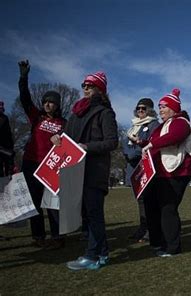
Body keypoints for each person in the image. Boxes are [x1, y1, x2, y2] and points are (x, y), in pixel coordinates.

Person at [52, 71, 118, 270]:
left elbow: (112, 142)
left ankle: (92, 255)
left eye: (90, 85)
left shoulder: (105, 113)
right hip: (74, 170)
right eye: (84, 84)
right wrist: (56, 138)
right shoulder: (75, 114)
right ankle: (103, 253)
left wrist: (87, 147)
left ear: (99, 89)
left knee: (93, 213)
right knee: (86, 213)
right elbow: (65, 137)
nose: (85, 88)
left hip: (94, 171)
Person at [18, 60, 67, 250]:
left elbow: (68, 146)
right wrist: (23, 77)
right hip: (31, 163)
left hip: (51, 165)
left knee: (53, 203)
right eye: (46, 101)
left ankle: (57, 235)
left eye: (52, 102)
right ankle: (38, 236)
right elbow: (25, 99)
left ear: (57, 105)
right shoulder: (36, 117)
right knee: (35, 202)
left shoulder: (64, 122)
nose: (48, 104)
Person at [141, 88, 191, 257]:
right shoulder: (163, 125)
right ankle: (158, 242)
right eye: (159, 106)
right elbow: (155, 142)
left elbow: (174, 137)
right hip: (160, 174)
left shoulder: (181, 122)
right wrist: (141, 142)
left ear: (173, 108)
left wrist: (151, 144)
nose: (160, 110)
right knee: (153, 206)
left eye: (164, 106)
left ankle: (172, 246)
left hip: (176, 173)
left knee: (167, 208)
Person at [123, 98, 159, 243]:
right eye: (138, 108)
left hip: (145, 167)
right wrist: (130, 152)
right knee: (140, 201)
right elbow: (125, 144)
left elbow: (151, 144)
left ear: (149, 110)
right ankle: (143, 228)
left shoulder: (154, 125)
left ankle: (150, 230)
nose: (140, 111)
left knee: (148, 201)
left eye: (143, 109)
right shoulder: (133, 126)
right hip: (133, 168)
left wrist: (133, 152)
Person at [0, 100, 14, 177]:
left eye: (2, 106)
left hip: (5, 147)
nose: (1, 108)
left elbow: (8, 133)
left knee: (8, 165)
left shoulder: (5, 118)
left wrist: (11, 147)